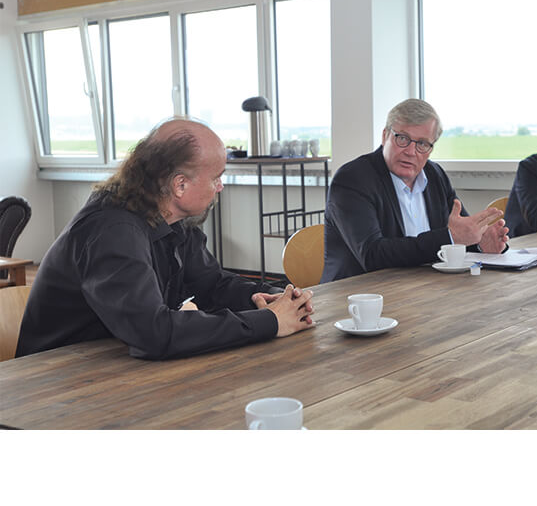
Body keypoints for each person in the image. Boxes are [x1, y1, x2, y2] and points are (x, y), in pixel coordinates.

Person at [16, 118, 315, 360]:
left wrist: (265, 298)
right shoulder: (113, 230)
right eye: (216, 178)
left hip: (112, 365)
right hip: (57, 384)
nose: (220, 187)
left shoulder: (168, 218)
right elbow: (155, 334)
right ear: (180, 185)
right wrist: (270, 323)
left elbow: (211, 284)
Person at [321, 99, 509, 282]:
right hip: (359, 298)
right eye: (402, 138)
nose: (411, 152)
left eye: (422, 144)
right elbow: (372, 255)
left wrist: (480, 244)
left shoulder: (435, 175)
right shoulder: (353, 179)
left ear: (431, 148)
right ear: (385, 136)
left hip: (424, 290)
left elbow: (460, 233)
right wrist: (451, 237)